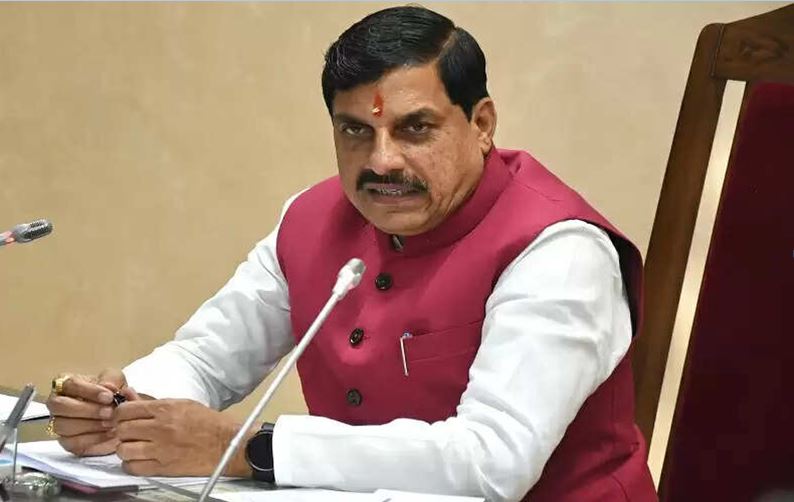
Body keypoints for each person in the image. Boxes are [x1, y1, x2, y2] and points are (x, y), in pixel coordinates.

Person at [45, 6, 657, 501]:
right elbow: (207, 359)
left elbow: (493, 463)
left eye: (415, 128)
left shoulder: (560, 249)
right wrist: (120, 404)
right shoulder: (310, 220)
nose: (382, 161)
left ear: (482, 124)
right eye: (355, 131)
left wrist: (249, 449)